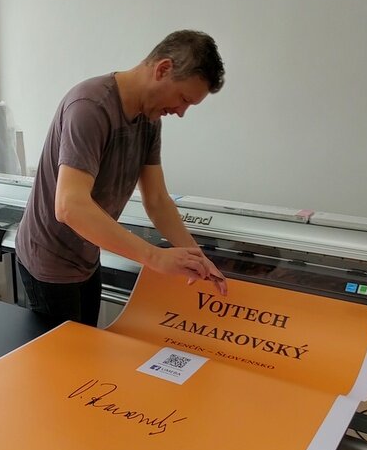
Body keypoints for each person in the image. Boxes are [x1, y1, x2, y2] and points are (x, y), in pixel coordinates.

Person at [16, 29, 228, 326]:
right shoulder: (90, 107)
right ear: (163, 69)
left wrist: (197, 258)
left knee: (87, 342)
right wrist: (155, 257)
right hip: (49, 261)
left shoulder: (149, 120)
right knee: (66, 350)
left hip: (87, 256)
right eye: (183, 99)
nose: (181, 112)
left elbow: (157, 200)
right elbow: (69, 206)